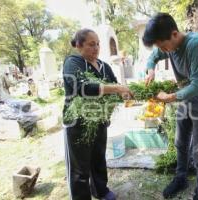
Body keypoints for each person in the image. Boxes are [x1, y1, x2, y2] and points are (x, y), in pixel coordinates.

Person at [143, 13, 198, 200]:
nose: (163, 50)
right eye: (160, 47)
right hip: (186, 101)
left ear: (175, 34)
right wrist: (151, 69)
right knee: (180, 143)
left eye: (163, 46)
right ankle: (181, 178)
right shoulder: (168, 46)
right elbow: (153, 56)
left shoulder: (195, 44)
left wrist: (171, 97)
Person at [62, 28, 132, 200]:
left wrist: (123, 94)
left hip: (99, 119)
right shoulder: (73, 63)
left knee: (98, 158)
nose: (96, 48)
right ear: (79, 46)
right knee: (80, 167)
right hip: (78, 122)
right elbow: (83, 87)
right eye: (91, 44)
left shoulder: (104, 66)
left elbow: (115, 86)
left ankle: (100, 190)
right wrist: (115, 88)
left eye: (98, 44)